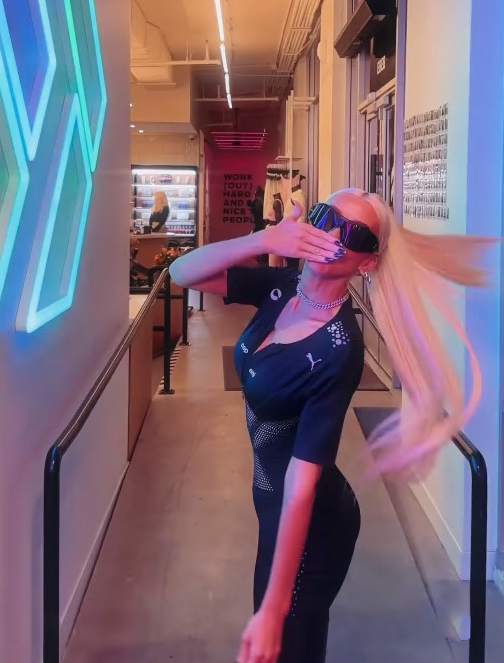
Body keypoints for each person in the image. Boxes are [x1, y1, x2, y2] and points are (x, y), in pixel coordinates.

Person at [169, 189, 493, 663]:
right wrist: (266, 235)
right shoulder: (281, 288)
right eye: (325, 217)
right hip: (272, 508)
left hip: (313, 524)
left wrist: (272, 612)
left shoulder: (340, 351)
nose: (332, 233)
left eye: (354, 233)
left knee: (291, 645)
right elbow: (182, 273)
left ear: (366, 263)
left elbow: (301, 484)